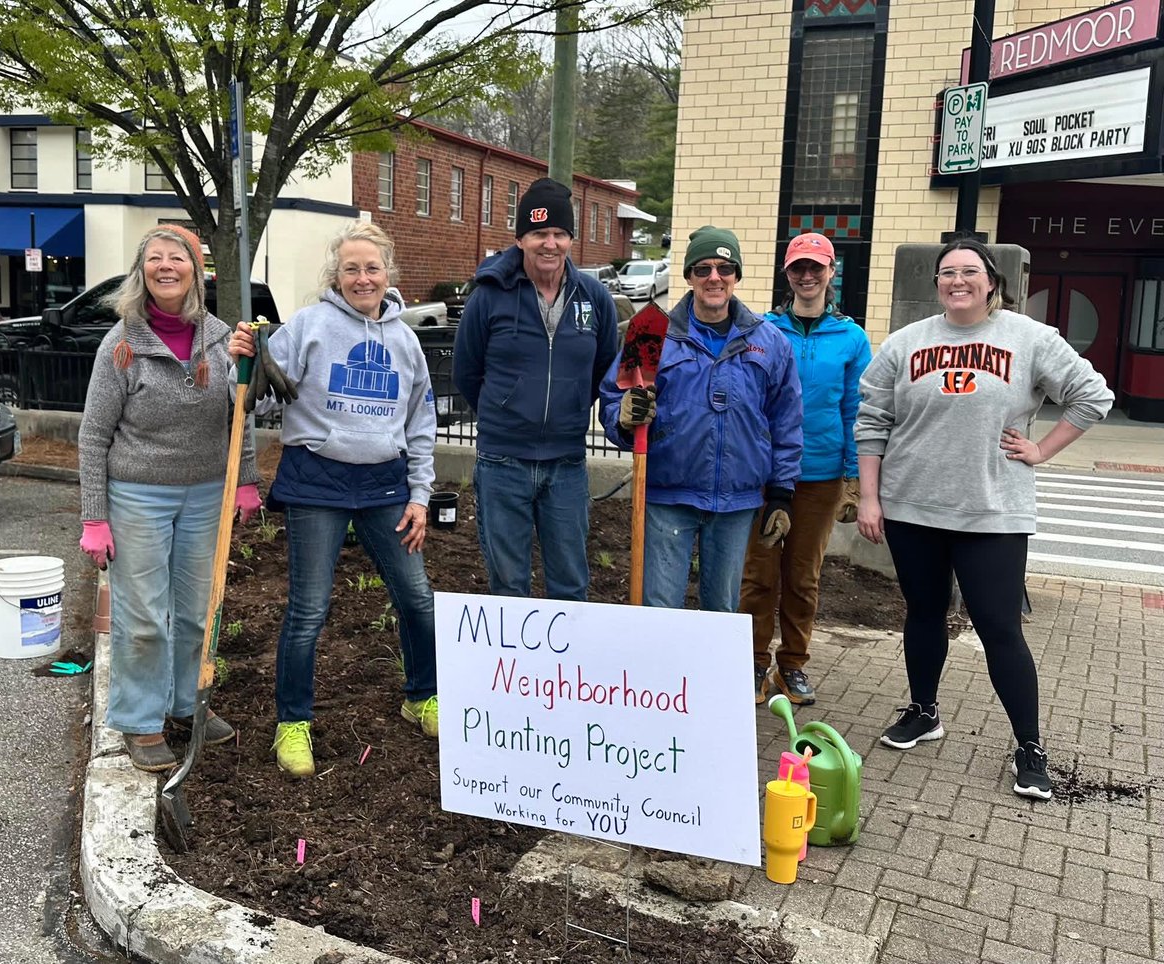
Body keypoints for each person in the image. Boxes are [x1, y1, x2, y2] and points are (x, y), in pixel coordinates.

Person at [854, 237, 1114, 801]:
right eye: (948, 273)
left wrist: (1041, 451)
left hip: (993, 511)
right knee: (923, 613)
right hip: (913, 507)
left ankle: (1029, 746)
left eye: (970, 272)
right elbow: (872, 421)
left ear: (992, 282)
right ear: (938, 285)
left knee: (998, 627)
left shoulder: (1031, 339)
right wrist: (870, 498)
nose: (958, 281)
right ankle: (924, 711)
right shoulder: (906, 343)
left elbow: (1093, 396)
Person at [229, 221, 439, 779]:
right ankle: (291, 723)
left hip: (385, 486)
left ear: (388, 274)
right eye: (352, 268)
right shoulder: (309, 326)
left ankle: (421, 694)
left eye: (372, 268)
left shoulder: (404, 340)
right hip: (316, 482)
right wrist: (245, 362)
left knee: (418, 598)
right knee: (308, 610)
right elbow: (261, 401)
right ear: (336, 275)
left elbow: (420, 421)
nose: (362, 278)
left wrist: (420, 495)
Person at [78, 224, 262, 773]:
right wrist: (95, 517)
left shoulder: (221, 335)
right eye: (154, 258)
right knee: (141, 617)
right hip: (138, 495)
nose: (166, 266)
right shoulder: (122, 344)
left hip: (206, 491)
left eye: (176, 257)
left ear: (194, 269)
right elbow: (93, 435)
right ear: (142, 272)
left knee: (197, 610)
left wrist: (245, 479)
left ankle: (188, 703)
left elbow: (241, 412)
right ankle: (140, 720)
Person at [598, 225, 803, 611]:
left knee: (722, 611)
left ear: (736, 276)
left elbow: (786, 420)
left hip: (736, 501)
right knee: (660, 608)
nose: (714, 278)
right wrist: (623, 418)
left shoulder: (769, 341)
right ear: (689, 276)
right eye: (704, 268)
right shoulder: (652, 334)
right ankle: (659, 674)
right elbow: (614, 397)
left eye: (725, 268)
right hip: (667, 495)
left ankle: (709, 675)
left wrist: (781, 493)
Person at [452, 177, 618, 601]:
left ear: (570, 240)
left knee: (571, 584)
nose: (550, 244)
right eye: (539, 233)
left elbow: (604, 367)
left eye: (560, 234)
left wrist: (572, 404)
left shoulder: (593, 297)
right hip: (502, 460)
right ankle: (515, 670)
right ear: (520, 238)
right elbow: (467, 371)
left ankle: (563, 670)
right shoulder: (488, 297)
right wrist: (505, 410)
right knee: (509, 584)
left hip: (566, 462)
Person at [739, 233, 872, 706]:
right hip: (767, 475)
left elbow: (857, 408)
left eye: (816, 267)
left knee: (802, 576)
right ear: (787, 274)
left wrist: (855, 477)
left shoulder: (852, 338)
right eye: (798, 268)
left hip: (820, 475)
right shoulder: (763, 331)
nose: (807, 276)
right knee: (759, 574)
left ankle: (791, 664)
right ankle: (753, 661)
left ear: (831, 273)